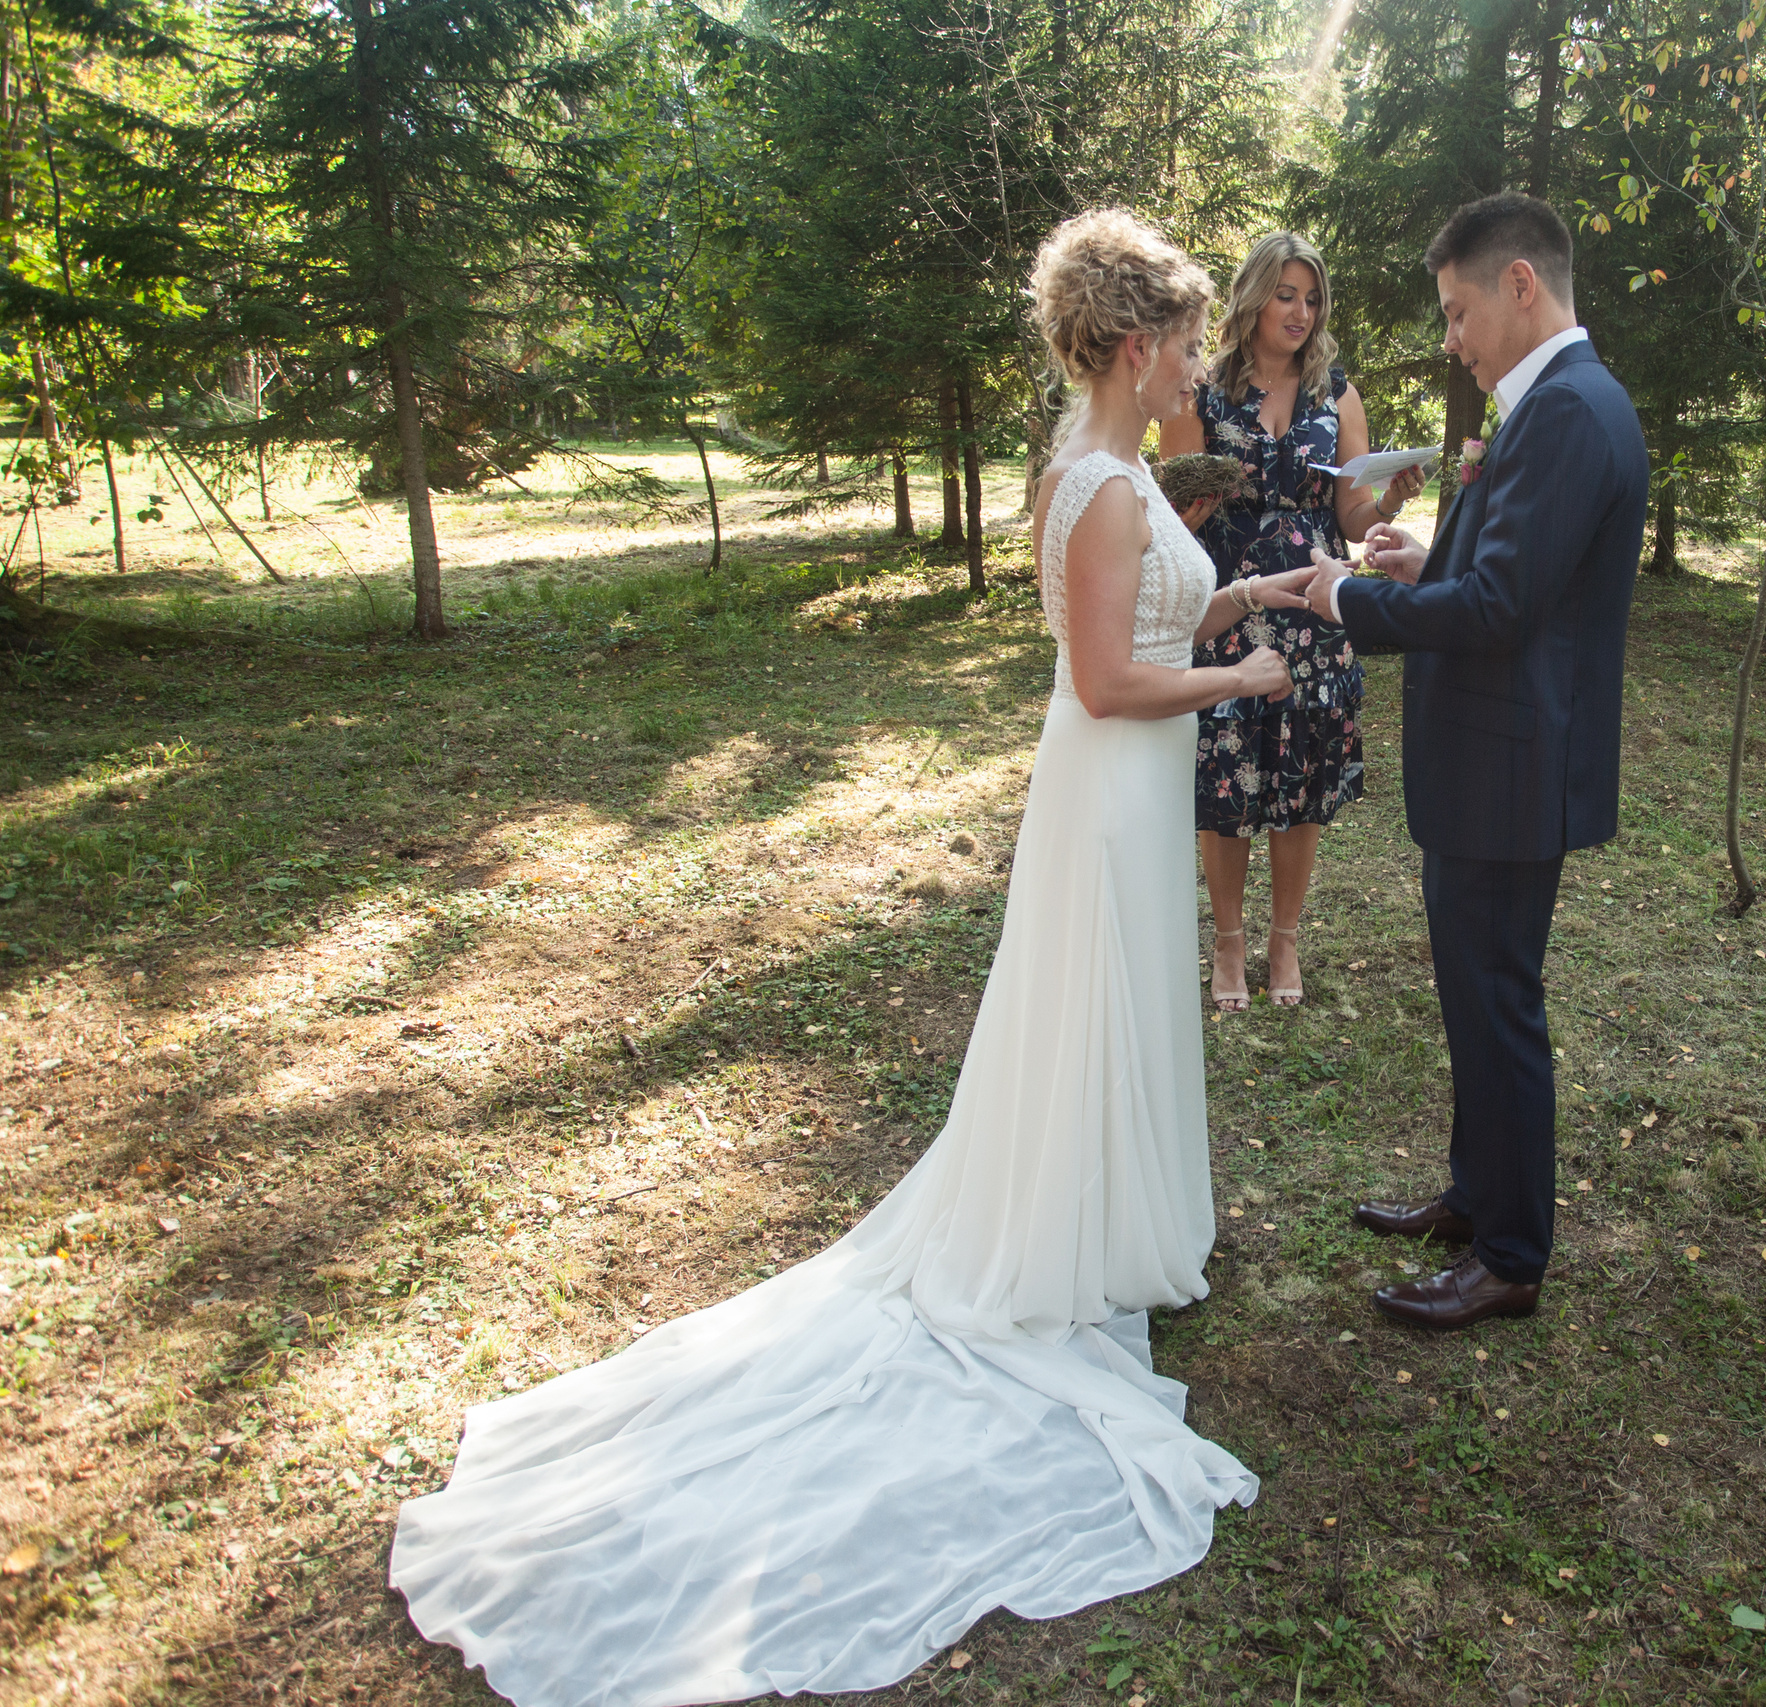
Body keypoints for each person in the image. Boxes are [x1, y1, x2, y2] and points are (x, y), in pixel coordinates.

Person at [387, 208, 1322, 1707]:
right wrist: (1245, 676)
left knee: (1120, 1008)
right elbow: (1105, 679)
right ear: (1134, 345)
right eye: (1187, 339)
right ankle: (1060, 1235)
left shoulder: (1120, 470)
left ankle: (1113, 1217)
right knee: (1089, 1004)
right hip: (1105, 790)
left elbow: (1158, 611)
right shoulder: (1094, 483)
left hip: (1133, 794)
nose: (1198, 365)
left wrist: (1247, 598)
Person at [1302, 192, 1648, 1331]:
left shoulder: (1569, 411)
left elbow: (1502, 611)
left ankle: (1509, 1255)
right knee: (1473, 990)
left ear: (1520, 285)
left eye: (1457, 312)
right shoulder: (1550, 404)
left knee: (1497, 1003)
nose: (1451, 338)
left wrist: (1347, 598)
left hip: (1513, 767)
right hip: (1496, 760)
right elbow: (1516, 573)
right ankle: (1475, 1193)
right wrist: (1428, 560)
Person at [1158, 232, 1428, 1010]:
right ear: (1253, 297)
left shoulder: (1336, 394)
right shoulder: (1201, 391)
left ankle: (1285, 939)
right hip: (1231, 607)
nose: (1301, 312)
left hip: (1315, 606)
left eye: (1311, 299)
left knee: (1300, 779)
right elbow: (1176, 513)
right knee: (1227, 776)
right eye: (1285, 295)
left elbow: (1351, 514)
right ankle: (1228, 941)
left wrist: (1390, 500)